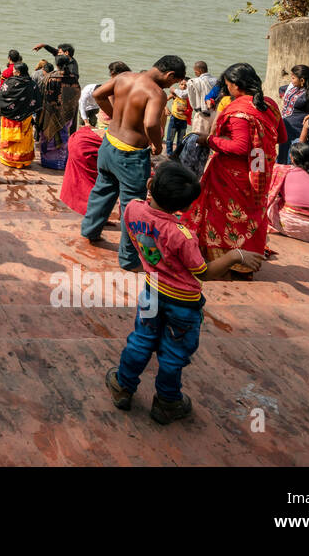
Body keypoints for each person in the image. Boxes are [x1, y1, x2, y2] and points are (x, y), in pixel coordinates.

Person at [105, 162, 264, 425]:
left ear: (149, 186)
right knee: (173, 353)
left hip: (151, 292)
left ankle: (122, 385)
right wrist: (236, 255)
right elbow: (202, 271)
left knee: (141, 340)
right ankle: (167, 402)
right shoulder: (181, 235)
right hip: (183, 305)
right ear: (186, 207)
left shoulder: (132, 209)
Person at [80, 55, 187, 271]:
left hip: (109, 144)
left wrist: (116, 116)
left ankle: (90, 231)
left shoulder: (124, 77)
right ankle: (129, 259)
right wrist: (157, 144)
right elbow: (150, 123)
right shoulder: (156, 93)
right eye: (173, 82)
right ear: (170, 75)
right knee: (133, 207)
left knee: (103, 190)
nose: (171, 86)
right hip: (130, 155)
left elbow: (97, 94)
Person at [183, 63, 285, 278]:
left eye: (228, 85)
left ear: (237, 86)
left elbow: (239, 147)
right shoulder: (270, 105)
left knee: (223, 216)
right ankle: (247, 261)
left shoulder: (239, 112)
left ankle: (222, 260)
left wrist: (209, 140)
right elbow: (282, 137)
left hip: (232, 176)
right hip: (260, 173)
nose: (227, 89)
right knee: (251, 216)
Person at [0, 63, 42, 170]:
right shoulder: (32, 84)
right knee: (24, 138)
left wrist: (1, 109)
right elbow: (37, 99)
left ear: (18, 72)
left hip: (9, 117)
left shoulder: (10, 82)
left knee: (11, 138)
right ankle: (23, 160)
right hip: (25, 117)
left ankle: (9, 159)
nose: (12, 72)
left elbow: (1, 95)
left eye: (14, 71)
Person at [277, 64, 309, 163]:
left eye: (293, 78)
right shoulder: (293, 87)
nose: (291, 80)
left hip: (297, 131)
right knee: (282, 154)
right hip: (286, 128)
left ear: (302, 80)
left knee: (292, 157)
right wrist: (284, 97)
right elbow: (281, 89)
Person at [164, 79, 190, 158]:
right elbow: (163, 100)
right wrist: (166, 108)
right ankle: (169, 153)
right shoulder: (175, 94)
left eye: (185, 85)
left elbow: (192, 108)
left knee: (181, 140)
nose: (183, 86)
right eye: (182, 84)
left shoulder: (189, 97)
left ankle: (178, 154)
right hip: (174, 119)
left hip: (183, 121)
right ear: (179, 84)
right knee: (170, 138)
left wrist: (185, 111)